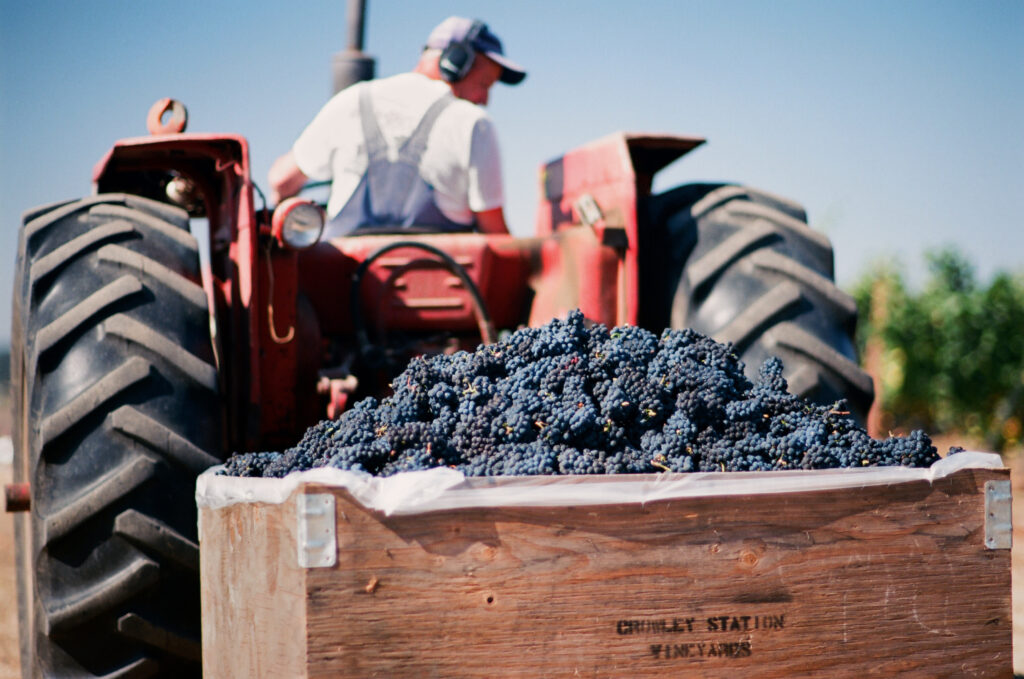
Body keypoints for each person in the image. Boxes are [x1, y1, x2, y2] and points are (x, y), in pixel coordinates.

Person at [269, 16, 526, 237]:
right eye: (484, 84)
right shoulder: (473, 122)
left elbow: (281, 180)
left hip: (341, 286)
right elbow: (495, 234)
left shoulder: (353, 100)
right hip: (445, 285)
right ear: (455, 62)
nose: (484, 100)